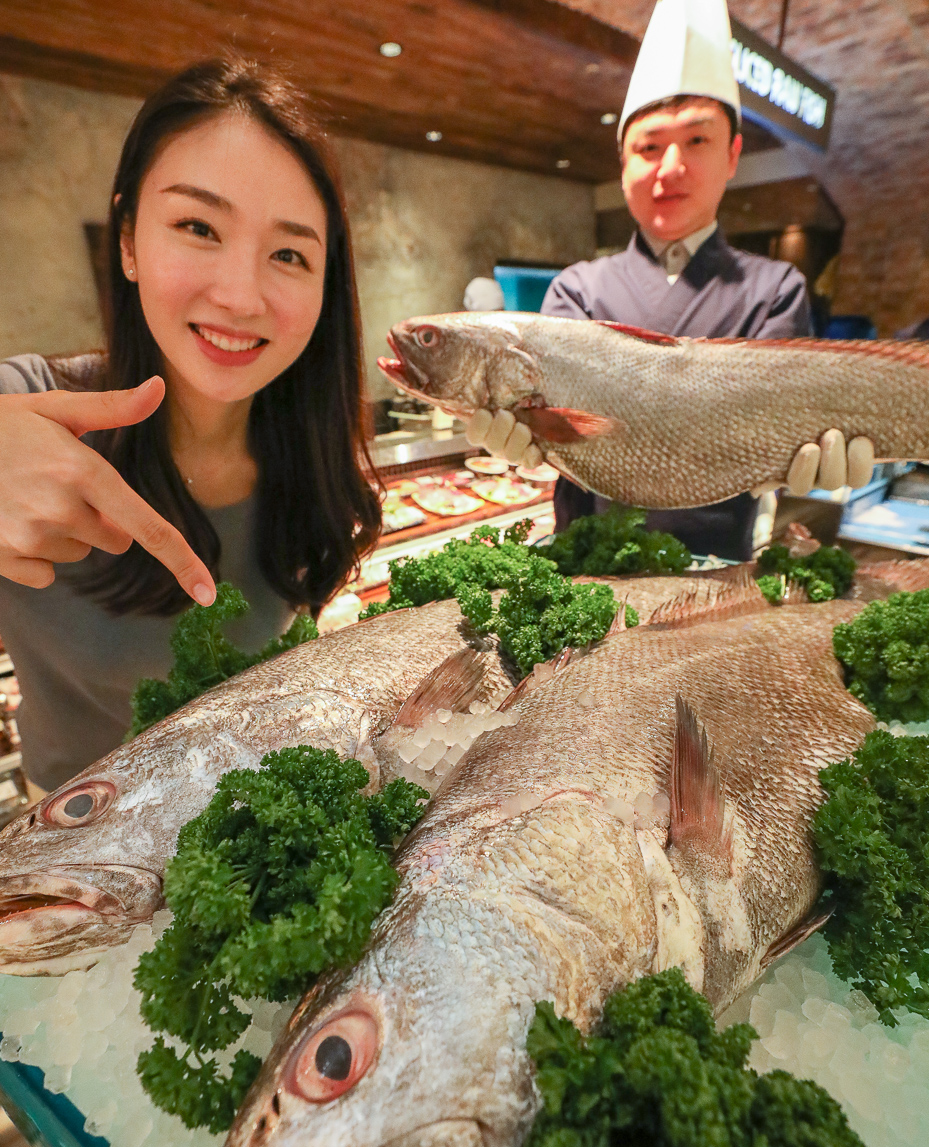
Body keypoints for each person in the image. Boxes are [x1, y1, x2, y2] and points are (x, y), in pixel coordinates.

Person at [0, 59, 380, 792]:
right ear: (128, 241)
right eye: (198, 226)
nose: (240, 295)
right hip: (75, 852)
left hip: (249, 835)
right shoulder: (33, 406)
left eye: (289, 253)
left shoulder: (309, 454)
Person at [466, 0, 874, 555]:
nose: (670, 167)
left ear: (733, 155)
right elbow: (552, 424)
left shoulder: (776, 290)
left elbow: (775, 428)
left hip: (717, 569)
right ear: (624, 163)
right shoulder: (577, 288)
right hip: (587, 564)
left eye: (697, 140)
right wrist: (521, 436)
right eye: (649, 146)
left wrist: (815, 455)